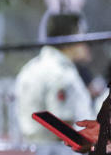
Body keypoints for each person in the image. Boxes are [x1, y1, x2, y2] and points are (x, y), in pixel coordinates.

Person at [15, 12, 93, 145]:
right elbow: (63, 128)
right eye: (81, 35)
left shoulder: (30, 68)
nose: (84, 41)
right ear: (71, 38)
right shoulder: (60, 74)